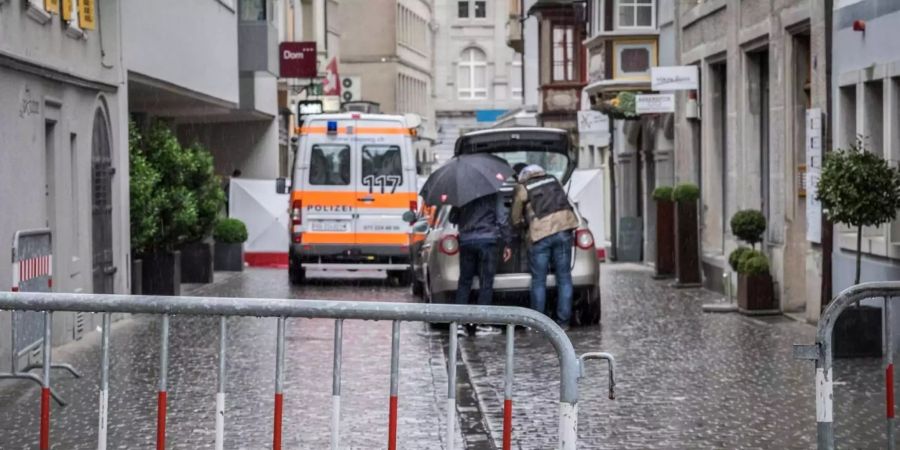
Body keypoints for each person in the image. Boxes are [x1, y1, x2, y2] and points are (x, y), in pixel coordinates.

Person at [511, 165, 579, 329]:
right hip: (564, 230)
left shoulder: (523, 187)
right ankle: (563, 322)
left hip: (540, 235)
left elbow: (515, 217)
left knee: (539, 280)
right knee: (564, 278)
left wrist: (520, 225)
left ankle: (538, 323)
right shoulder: (553, 180)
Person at [449, 193, 512, 336]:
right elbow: (502, 219)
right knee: (486, 283)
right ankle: (482, 324)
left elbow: (452, 218)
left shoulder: (462, 195)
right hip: (488, 242)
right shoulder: (494, 194)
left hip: (466, 242)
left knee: (464, 283)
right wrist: (507, 241)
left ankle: (458, 324)